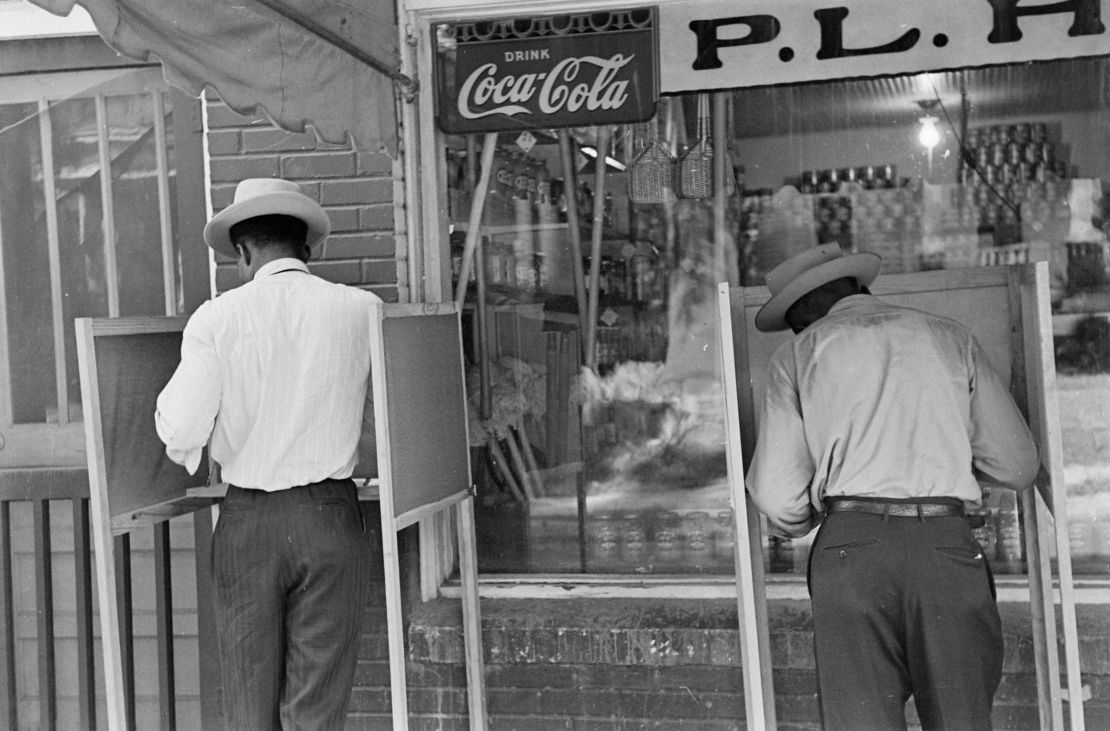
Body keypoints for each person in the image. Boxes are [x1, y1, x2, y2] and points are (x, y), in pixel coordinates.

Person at [745, 243, 1039, 731]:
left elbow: (778, 498)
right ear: (858, 288)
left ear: (802, 313)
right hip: (945, 546)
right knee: (961, 717)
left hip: (850, 551)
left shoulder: (797, 353)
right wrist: (949, 472)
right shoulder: (951, 338)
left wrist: (817, 514)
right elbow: (1017, 464)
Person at [155, 177, 382, 729]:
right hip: (330, 516)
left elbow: (181, 426)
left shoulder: (218, 317)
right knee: (318, 702)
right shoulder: (362, 309)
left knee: (247, 702)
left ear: (243, 250)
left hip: (248, 521)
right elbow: (391, 418)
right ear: (307, 247)